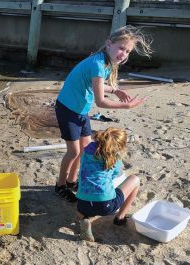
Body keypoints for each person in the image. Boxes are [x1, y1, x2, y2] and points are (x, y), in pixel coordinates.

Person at [54, 25, 152, 202]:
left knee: (84, 150)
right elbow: (100, 102)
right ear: (109, 44)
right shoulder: (98, 64)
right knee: (74, 151)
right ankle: (60, 185)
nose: (123, 54)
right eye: (121, 48)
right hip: (67, 109)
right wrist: (127, 107)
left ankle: (71, 181)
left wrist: (115, 89)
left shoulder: (106, 62)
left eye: (128, 51)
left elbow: (95, 84)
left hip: (81, 111)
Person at [76, 127, 140, 242]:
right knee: (134, 180)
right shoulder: (114, 158)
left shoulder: (86, 150)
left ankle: (84, 218)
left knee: (82, 209)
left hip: (82, 202)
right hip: (105, 204)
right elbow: (116, 175)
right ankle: (120, 218)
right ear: (118, 146)